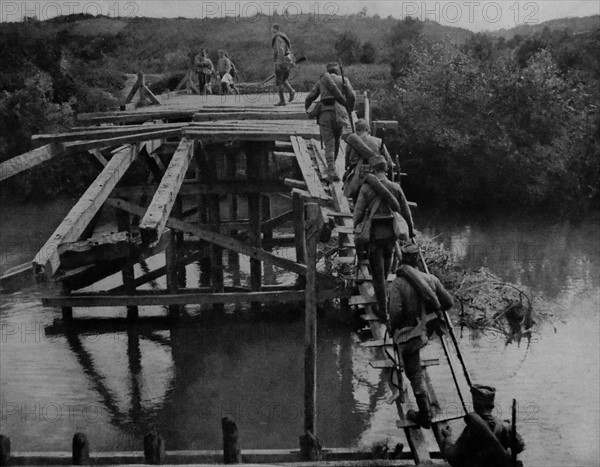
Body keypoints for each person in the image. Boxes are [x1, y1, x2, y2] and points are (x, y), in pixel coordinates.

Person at [388, 244, 453, 429]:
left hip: (406, 336)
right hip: (423, 333)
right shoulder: (430, 279)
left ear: (402, 259)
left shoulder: (398, 284)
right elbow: (448, 302)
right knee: (414, 369)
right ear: (417, 260)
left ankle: (424, 415)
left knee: (411, 372)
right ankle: (425, 413)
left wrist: (392, 329)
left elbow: (395, 313)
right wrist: (428, 315)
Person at [353, 158, 415, 325]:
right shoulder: (395, 187)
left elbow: (358, 212)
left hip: (374, 238)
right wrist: (411, 229)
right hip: (391, 238)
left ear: (373, 170)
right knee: (386, 271)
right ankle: (386, 303)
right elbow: (406, 212)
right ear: (386, 170)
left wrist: (356, 228)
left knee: (378, 275)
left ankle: (383, 311)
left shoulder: (367, 188)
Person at [441, 384, 525, 467]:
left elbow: (454, 457)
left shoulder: (472, 430)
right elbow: (519, 447)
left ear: (476, 404)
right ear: (492, 405)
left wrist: (447, 439)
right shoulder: (503, 427)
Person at [305, 62, 356, 181]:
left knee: (329, 142)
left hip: (325, 113)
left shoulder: (322, 80)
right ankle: (334, 167)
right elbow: (352, 95)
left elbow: (310, 96)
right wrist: (350, 108)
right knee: (337, 140)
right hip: (340, 113)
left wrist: (307, 109)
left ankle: (332, 171)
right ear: (337, 71)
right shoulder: (344, 79)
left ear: (328, 71)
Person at [343, 119, 395, 201]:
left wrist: (347, 168)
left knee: (350, 186)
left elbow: (347, 161)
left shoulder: (352, 141)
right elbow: (389, 162)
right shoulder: (379, 141)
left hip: (358, 176)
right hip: (377, 175)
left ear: (357, 130)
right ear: (368, 130)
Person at [271, 23, 295, 105]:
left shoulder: (278, 38)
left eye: (272, 28)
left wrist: (279, 63)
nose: (271, 29)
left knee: (279, 82)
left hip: (282, 62)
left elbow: (280, 50)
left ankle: (282, 101)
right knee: (284, 79)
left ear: (275, 29)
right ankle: (291, 90)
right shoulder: (284, 38)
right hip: (287, 61)